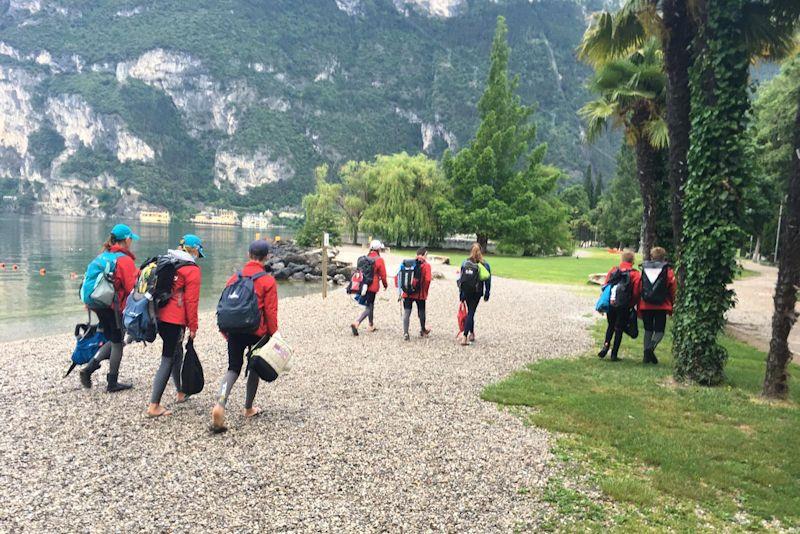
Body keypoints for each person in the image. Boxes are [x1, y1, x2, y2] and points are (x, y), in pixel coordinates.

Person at [211, 240, 278, 433]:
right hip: (257, 331)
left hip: (233, 329)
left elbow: (223, 306)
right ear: (266, 257)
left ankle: (220, 404)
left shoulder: (234, 278)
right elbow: (271, 313)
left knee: (233, 369)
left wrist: (225, 332)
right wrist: (273, 335)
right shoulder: (267, 281)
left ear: (249, 255)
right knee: (254, 367)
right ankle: (248, 408)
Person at [146, 235, 204, 418]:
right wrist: (193, 326)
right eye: (198, 253)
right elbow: (191, 301)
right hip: (174, 319)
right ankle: (154, 405)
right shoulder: (192, 270)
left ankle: (181, 392)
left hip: (157, 314)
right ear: (193, 250)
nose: (198, 257)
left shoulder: (167, 260)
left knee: (176, 352)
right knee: (168, 358)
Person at [79, 224, 139, 392]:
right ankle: (111, 382)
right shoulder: (124, 260)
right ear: (126, 239)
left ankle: (90, 368)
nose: (131, 242)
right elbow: (131, 288)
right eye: (131, 239)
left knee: (113, 338)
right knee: (118, 342)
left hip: (96, 303)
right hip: (111, 305)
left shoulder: (103, 256)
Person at [598, 250, 641, 361]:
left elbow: (606, 286)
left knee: (610, 325)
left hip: (611, 303)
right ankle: (614, 354)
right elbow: (636, 292)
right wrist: (632, 303)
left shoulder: (613, 270)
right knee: (619, 328)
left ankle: (605, 346)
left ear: (622, 259)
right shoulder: (635, 274)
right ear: (633, 261)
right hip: (624, 305)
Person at [638, 246, 677, 364]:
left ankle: (646, 355)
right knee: (659, 331)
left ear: (651, 257)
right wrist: (674, 303)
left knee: (648, 330)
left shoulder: (644, 269)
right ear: (664, 257)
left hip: (646, 304)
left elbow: (640, 286)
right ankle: (650, 349)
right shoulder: (668, 271)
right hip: (661, 305)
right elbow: (673, 289)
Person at [350, 240, 387, 336]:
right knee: (369, 306)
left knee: (370, 305)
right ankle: (357, 322)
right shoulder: (379, 260)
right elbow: (383, 275)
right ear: (378, 249)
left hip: (363, 284)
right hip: (373, 286)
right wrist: (385, 285)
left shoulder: (365, 258)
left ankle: (371, 324)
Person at [458, 243, 491, 346]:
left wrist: (461, 293)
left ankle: (471, 333)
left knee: (470, 312)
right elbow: (488, 280)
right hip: (477, 291)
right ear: (480, 251)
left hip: (467, 291)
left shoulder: (465, 263)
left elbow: (462, 280)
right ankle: (465, 336)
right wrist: (487, 293)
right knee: (471, 312)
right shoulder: (484, 264)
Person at [402, 247, 433, 341]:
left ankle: (406, 333)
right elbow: (428, 280)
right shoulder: (426, 265)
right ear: (425, 254)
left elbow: (399, 276)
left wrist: (403, 289)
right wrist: (425, 290)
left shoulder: (407, 263)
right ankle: (423, 329)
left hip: (407, 292)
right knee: (421, 311)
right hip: (420, 293)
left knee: (407, 312)